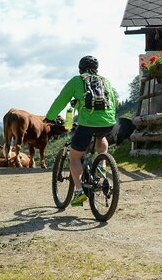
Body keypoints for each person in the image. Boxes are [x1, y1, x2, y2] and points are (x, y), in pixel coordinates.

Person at [46, 55, 118, 206]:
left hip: (87, 123)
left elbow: (61, 100)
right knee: (101, 137)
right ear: (96, 70)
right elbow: (113, 101)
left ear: (80, 69)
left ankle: (78, 192)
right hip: (108, 122)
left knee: (74, 156)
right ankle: (101, 167)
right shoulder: (105, 81)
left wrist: (49, 117)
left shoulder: (77, 80)